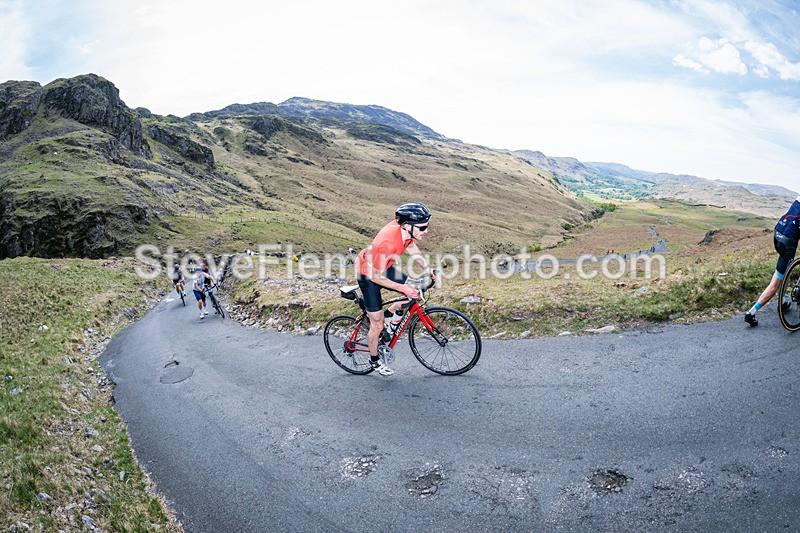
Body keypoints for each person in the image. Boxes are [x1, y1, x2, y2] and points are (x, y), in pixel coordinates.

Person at [354, 202, 435, 376]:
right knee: (377, 324)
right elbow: (375, 277)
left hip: (384, 267)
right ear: (407, 226)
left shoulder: (406, 232)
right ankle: (374, 361)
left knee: (414, 291)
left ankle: (390, 315)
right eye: (422, 227)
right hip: (368, 274)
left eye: (427, 226)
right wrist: (403, 288)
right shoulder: (388, 242)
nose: (426, 231)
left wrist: (427, 269)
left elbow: (412, 248)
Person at [744, 194, 800, 326]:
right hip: (788, 240)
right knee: (775, 283)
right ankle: (751, 313)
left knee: (788, 268)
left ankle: (782, 300)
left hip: (778, 233)